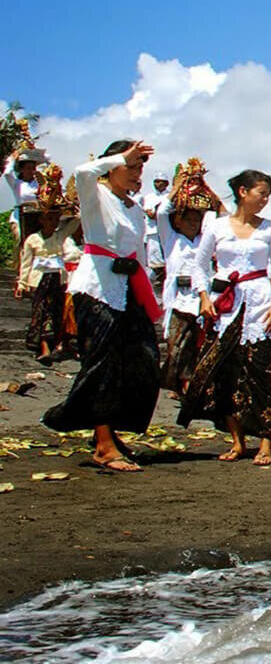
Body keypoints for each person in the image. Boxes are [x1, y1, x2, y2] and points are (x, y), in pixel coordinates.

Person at [42, 140, 163, 473]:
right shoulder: (97, 195)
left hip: (130, 287)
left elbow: (138, 250)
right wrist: (118, 157)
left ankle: (106, 430)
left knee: (143, 359)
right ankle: (104, 445)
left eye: (141, 167)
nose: (138, 174)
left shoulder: (134, 207)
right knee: (103, 363)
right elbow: (82, 171)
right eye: (132, 166)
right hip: (97, 287)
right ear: (113, 167)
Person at [184, 169, 271, 464]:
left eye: (268, 195)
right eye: (261, 193)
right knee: (225, 373)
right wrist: (203, 297)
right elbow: (199, 265)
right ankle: (237, 440)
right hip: (224, 303)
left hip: (259, 303)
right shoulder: (216, 227)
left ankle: (266, 442)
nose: (265, 200)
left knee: (260, 373)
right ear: (243, 192)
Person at [157, 160, 221, 397]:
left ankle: (188, 384)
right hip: (177, 298)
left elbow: (217, 211)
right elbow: (162, 211)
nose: (193, 224)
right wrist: (179, 186)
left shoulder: (204, 240)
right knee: (176, 346)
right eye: (189, 220)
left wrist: (202, 185)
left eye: (197, 221)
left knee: (196, 345)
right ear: (178, 221)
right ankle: (175, 382)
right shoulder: (171, 239)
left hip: (199, 298)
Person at [17, 169, 78, 364]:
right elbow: (26, 263)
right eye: (48, 218)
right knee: (41, 310)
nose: (52, 222)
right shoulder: (33, 240)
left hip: (57, 277)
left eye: (55, 218)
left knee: (56, 310)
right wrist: (22, 283)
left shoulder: (60, 236)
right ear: (41, 220)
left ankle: (52, 345)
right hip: (40, 278)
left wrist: (72, 207)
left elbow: (77, 220)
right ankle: (42, 345)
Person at [4, 149, 41, 285]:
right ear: (23, 169)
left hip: (35, 215)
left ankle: (31, 274)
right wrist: (13, 158)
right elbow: (7, 173)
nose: (31, 171)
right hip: (20, 216)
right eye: (29, 168)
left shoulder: (38, 184)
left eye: (33, 168)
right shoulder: (17, 183)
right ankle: (20, 273)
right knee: (21, 240)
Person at [141, 172, 171, 287]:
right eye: (155, 181)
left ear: (166, 183)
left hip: (166, 231)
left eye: (160, 181)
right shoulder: (148, 197)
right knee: (154, 261)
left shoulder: (169, 197)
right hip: (152, 231)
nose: (157, 184)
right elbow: (149, 213)